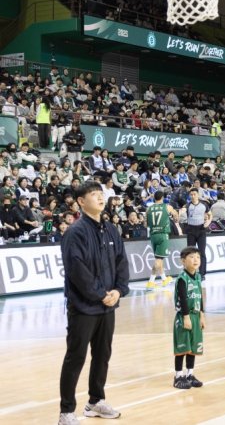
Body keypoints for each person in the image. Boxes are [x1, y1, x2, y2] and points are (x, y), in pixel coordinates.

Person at [58, 181, 129, 425]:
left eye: (101, 194)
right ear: (80, 201)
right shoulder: (75, 232)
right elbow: (77, 271)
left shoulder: (110, 229)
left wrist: (119, 290)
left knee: (103, 355)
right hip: (83, 307)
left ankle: (95, 401)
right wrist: (100, 294)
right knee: (75, 357)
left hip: (108, 305)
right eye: (94, 194)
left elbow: (121, 261)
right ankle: (66, 411)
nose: (100, 198)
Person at [173, 246, 205, 389]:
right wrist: (186, 317)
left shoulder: (198, 277)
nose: (195, 260)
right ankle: (178, 376)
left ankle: (189, 374)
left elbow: (200, 297)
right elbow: (183, 299)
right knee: (182, 347)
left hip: (196, 315)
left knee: (193, 347)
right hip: (184, 316)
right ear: (183, 261)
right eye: (191, 257)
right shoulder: (182, 279)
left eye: (197, 257)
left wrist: (202, 315)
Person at [145, 191, 179, 290]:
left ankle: (164, 279)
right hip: (162, 234)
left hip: (153, 235)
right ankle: (151, 281)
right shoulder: (167, 207)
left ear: (154, 198)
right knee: (158, 260)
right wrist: (175, 218)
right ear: (162, 197)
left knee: (159, 258)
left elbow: (145, 224)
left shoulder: (149, 209)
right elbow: (176, 216)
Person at [184, 188, 211, 279]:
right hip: (191, 230)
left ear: (198, 195)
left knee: (202, 252)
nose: (193, 196)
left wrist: (208, 222)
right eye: (191, 195)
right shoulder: (187, 206)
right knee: (190, 253)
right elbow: (182, 213)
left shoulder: (204, 204)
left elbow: (210, 214)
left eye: (194, 194)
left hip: (201, 230)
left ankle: (202, 273)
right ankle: (191, 272)